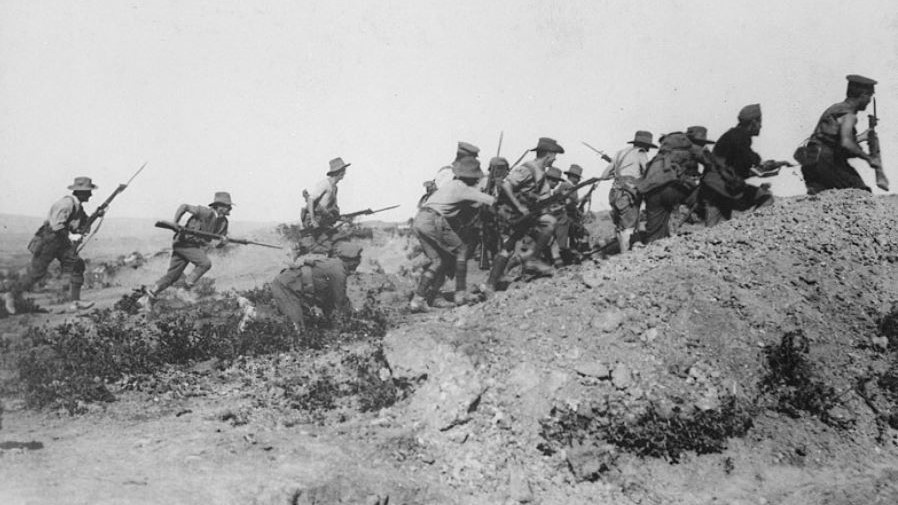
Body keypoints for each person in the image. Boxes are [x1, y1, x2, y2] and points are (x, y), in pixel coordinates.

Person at [3, 177, 102, 314]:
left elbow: (83, 226)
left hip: (61, 241)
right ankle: (11, 295)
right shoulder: (66, 204)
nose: (91, 195)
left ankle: (75, 302)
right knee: (36, 273)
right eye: (88, 192)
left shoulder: (78, 207)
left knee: (77, 265)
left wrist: (97, 215)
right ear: (80, 192)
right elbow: (57, 225)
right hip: (49, 241)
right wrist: (71, 236)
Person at [410, 157, 496, 312]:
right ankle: (460, 294)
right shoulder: (462, 187)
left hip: (420, 220)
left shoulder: (450, 185)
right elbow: (491, 201)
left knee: (437, 261)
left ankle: (418, 300)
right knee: (462, 250)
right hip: (434, 220)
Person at [486, 137, 564, 289]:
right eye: (554, 155)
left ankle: (529, 262)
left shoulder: (541, 173)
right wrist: (519, 207)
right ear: (548, 154)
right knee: (508, 247)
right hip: (512, 214)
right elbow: (506, 186)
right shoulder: (528, 168)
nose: (555, 159)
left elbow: (544, 199)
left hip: (525, 215)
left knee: (548, 222)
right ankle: (492, 283)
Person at [141, 192, 233, 305]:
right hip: (183, 243)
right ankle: (184, 290)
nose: (230, 209)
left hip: (191, 246)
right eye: (227, 206)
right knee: (205, 263)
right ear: (219, 206)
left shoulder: (223, 223)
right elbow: (184, 206)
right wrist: (175, 223)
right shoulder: (205, 212)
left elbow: (217, 245)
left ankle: (150, 294)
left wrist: (223, 243)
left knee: (172, 276)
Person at [800, 74, 886, 194]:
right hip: (826, 160)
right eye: (869, 96)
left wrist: (862, 137)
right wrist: (869, 159)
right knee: (859, 193)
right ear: (863, 95)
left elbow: (832, 140)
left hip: (810, 159)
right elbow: (846, 143)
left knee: (822, 196)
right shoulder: (849, 115)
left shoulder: (835, 109)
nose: (869, 101)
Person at [700, 106, 777, 227]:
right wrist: (761, 163)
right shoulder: (742, 136)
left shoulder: (731, 134)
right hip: (724, 187)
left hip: (711, 186)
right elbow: (745, 162)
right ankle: (753, 230)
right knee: (766, 197)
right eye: (759, 122)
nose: (760, 126)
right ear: (753, 122)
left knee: (713, 230)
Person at [640, 130, 712, 243]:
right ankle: (714, 231)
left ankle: (654, 254)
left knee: (655, 233)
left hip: (651, 192)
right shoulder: (694, 148)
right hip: (673, 187)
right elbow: (713, 164)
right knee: (709, 197)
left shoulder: (662, 154)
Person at [602, 131, 657, 252]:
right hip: (629, 194)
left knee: (620, 226)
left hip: (614, 193)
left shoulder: (620, 153)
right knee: (628, 227)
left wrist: (618, 172)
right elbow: (647, 173)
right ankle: (625, 257)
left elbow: (604, 175)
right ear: (645, 145)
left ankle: (627, 251)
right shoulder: (641, 153)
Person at [270, 256, 352, 336]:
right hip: (285, 287)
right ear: (352, 262)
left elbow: (328, 301)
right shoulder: (338, 272)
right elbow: (340, 300)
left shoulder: (333, 264)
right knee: (297, 330)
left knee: (306, 325)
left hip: (298, 288)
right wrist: (347, 323)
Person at [303, 157, 349, 230]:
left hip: (325, 220)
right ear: (339, 172)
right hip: (315, 220)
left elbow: (332, 208)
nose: (345, 173)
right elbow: (310, 199)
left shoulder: (335, 188)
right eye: (343, 170)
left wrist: (340, 218)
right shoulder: (324, 184)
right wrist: (312, 220)